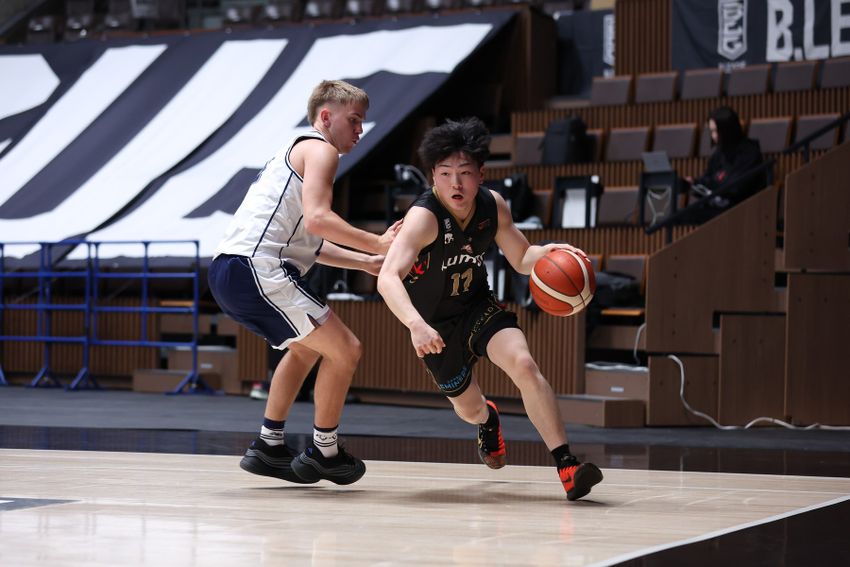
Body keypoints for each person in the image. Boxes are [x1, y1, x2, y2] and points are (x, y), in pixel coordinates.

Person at [376, 117, 603, 501]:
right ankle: (488, 419)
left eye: (465, 173)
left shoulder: (492, 205)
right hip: (434, 326)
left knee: (524, 364)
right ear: (433, 176)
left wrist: (549, 252)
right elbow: (386, 278)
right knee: (469, 409)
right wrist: (415, 324)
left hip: (477, 304)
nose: (456, 183)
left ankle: (567, 465)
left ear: (481, 174)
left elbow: (522, 258)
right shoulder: (424, 217)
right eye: (445, 174)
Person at [208, 80, 400, 485]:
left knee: (306, 348)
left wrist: (365, 262)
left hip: (231, 269)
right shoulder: (321, 150)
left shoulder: (294, 153)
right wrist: (376, 242)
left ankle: (269, 445)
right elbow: (318, 220)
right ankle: (324, 452)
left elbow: (309, 241)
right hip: (257, 267)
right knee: (347, 349)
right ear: (326, 117)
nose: (360, 130)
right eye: (354, 120)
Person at [683, 106, 766, 223]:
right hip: (717, 209)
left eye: (716, 131)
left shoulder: (749, 154)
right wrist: (693, 184)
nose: (714, 136)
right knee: (680, 216)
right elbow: (708, 180)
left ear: (728, 130)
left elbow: (735, 188)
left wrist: (709, 185)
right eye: (712, 131)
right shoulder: (719, 154)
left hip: (740, 213)